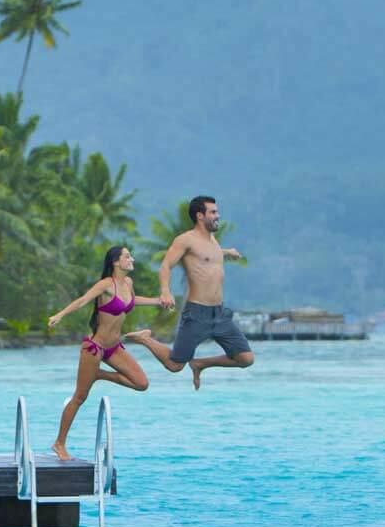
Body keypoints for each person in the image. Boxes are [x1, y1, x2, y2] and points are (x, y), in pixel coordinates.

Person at [126, 195, 255, 390]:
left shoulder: (212, 240)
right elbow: (166, 265)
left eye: (217, 212)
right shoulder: (185, 240)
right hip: (196, 314)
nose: (218, 216)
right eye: (213, 212)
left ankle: (200, 363)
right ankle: (145, 338)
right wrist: (165, 291)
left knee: (246, 359)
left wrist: (227, 252)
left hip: (220, 314)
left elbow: (208, 255)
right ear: (200, 216)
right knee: (175, 365)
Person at [45, 245, 161, 461]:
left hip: (114, 348)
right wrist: (59, 315)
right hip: (95, 348)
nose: (131, 259)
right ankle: (59, 443)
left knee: (141, 383)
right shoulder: (106, 285)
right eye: (127, 256)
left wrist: (157, 300)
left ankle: (99, 374)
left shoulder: (128, 283)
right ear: (116, 262)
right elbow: (82, 300)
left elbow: (134, 301)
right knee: (80, 397)